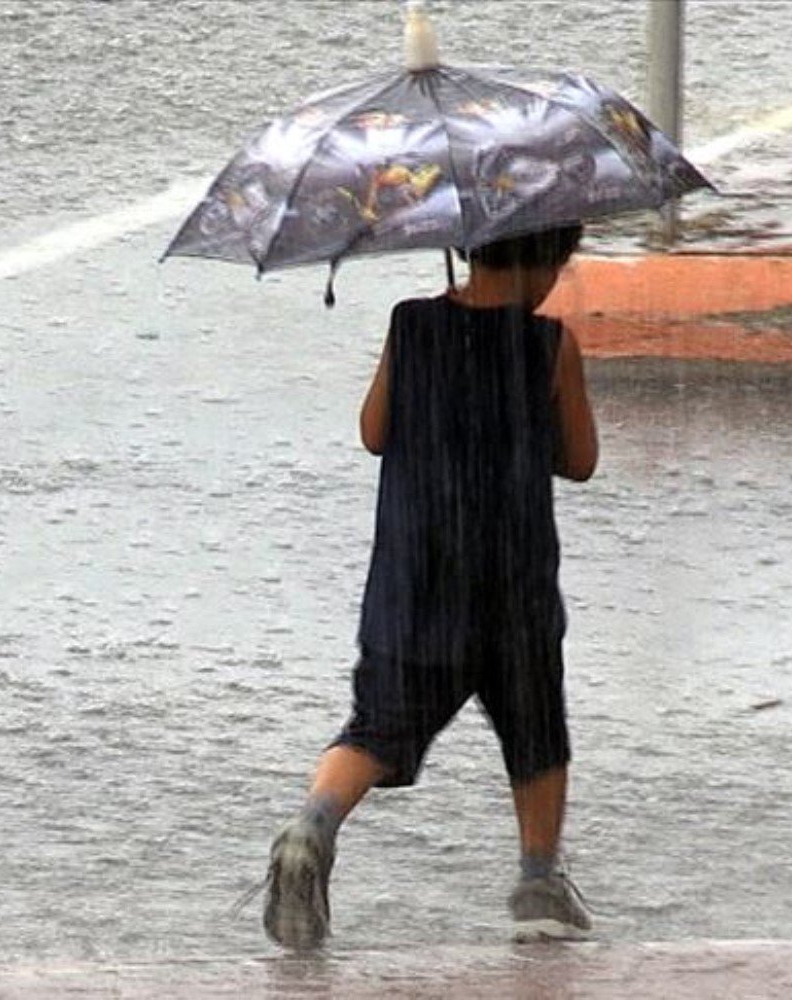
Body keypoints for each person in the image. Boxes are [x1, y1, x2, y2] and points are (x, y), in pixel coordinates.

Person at [263, 224, 599, 950]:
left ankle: (313, 826)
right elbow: (580, 460)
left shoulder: (411, 326)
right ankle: (539, 878)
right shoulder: (550, 345)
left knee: (378, 726)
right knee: (537, 731)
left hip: (413, 586)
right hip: (514, 589)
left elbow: (373, 431)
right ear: (546, 260)